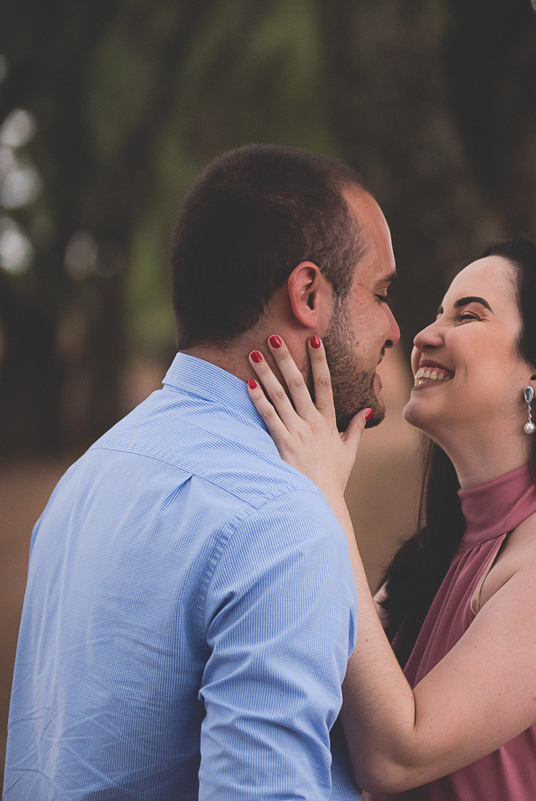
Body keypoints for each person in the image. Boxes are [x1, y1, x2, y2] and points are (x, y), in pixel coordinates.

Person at [6, 143, 400, 799]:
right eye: (381, 292)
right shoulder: (282, 524)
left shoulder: (87, 479)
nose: (392, 325)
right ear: (308, 293)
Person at [247, 237, 536, 799]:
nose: (423, 335)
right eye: (438, 313)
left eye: (468, 315)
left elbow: (397, 755)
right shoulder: (429, 560)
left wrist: (324, 500)